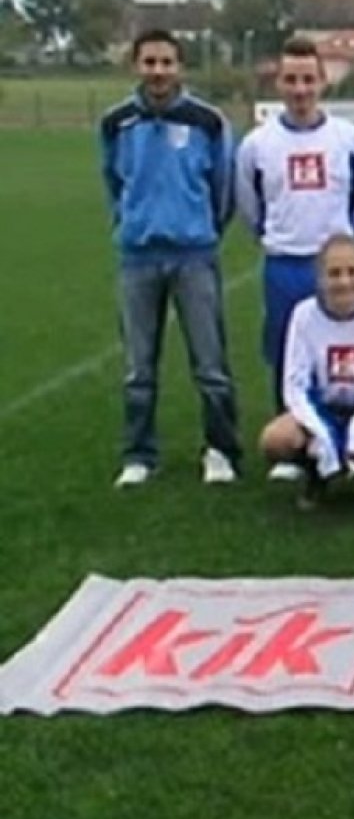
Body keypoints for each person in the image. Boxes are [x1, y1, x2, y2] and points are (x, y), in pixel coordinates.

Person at [99, 28, 241, 488]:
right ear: (136, 66)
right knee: (138, 368)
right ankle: (139, 455)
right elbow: (113, 182)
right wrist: (131, 225)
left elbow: (224, 187)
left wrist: (202, 230)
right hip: (138, 258)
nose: (158, 71)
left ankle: (220, 450)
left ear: (180, 67)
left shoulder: (207, 121)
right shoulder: (117, 122)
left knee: (210, 365)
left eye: (166, 62)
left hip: (194, 256)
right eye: (149, 62)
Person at [236, 37, 354, 482]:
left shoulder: (349, 140)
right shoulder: (257, 144)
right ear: (278, 83)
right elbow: (249, 204)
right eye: (291, 80)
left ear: (323, 82)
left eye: (308, 79)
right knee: (286, 352)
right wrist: (272, 237)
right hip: (285, 264)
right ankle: (294, 446)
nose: (300, 89)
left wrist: (347, 243)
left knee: (348, 351)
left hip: (336, 269)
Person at [258, 236, 354, 509]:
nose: (344, 282)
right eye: (334, 273)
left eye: (352, 272)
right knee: (276, 439)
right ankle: (317, 475)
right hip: (324, 409)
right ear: (320, 278)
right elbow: (294, 387)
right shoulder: (303, 315)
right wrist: (321, 434)